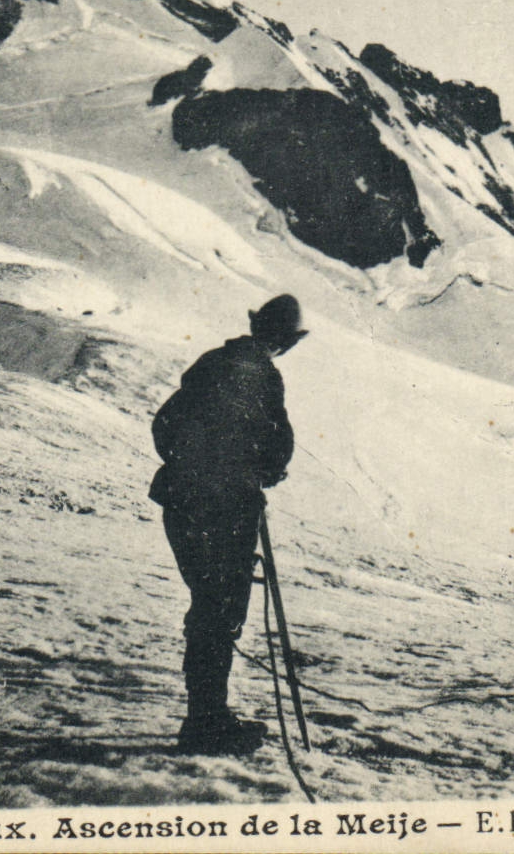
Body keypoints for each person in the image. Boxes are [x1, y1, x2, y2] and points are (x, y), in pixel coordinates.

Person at [149, 293, 307, 754]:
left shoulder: (211, 363)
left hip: (181, 501)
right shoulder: (261, 376)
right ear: (287, 341)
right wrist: (245, 474)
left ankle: (206, 715)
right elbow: (277, 447)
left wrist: (189, 470)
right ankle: (206, 723)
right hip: (225, 508)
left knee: (208, 605)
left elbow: (166, 424)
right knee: (218, 610)